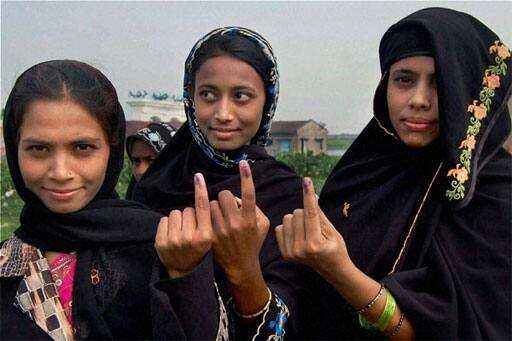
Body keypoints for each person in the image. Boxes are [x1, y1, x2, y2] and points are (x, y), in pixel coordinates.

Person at [275, 7, 511, 339]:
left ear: (467, 93)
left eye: (439, 82)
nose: (418, 99)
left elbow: (461, 328)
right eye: (404, 79)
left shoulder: (497, 194)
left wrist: (340, 271)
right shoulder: (360, 173)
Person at [0, 60, 221, 340]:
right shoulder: (7, 265)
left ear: (111, 149)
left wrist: (184, 276)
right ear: (15, 148)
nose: (60, 172)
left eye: (82, 148)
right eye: (38, 148)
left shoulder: (164, 247)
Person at [133, 27, 311, 339]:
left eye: (241, 97)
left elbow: (296, 321)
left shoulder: (287, 194)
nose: (223, 114)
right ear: (190, 96)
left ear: (266, 101)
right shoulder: (157, 183)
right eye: (208, 95)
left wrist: (244, 269)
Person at [125, 122, 175, 199]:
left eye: (150, 161)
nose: (140, 171)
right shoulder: (129, 206)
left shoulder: (191, 204)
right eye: (136, 161)